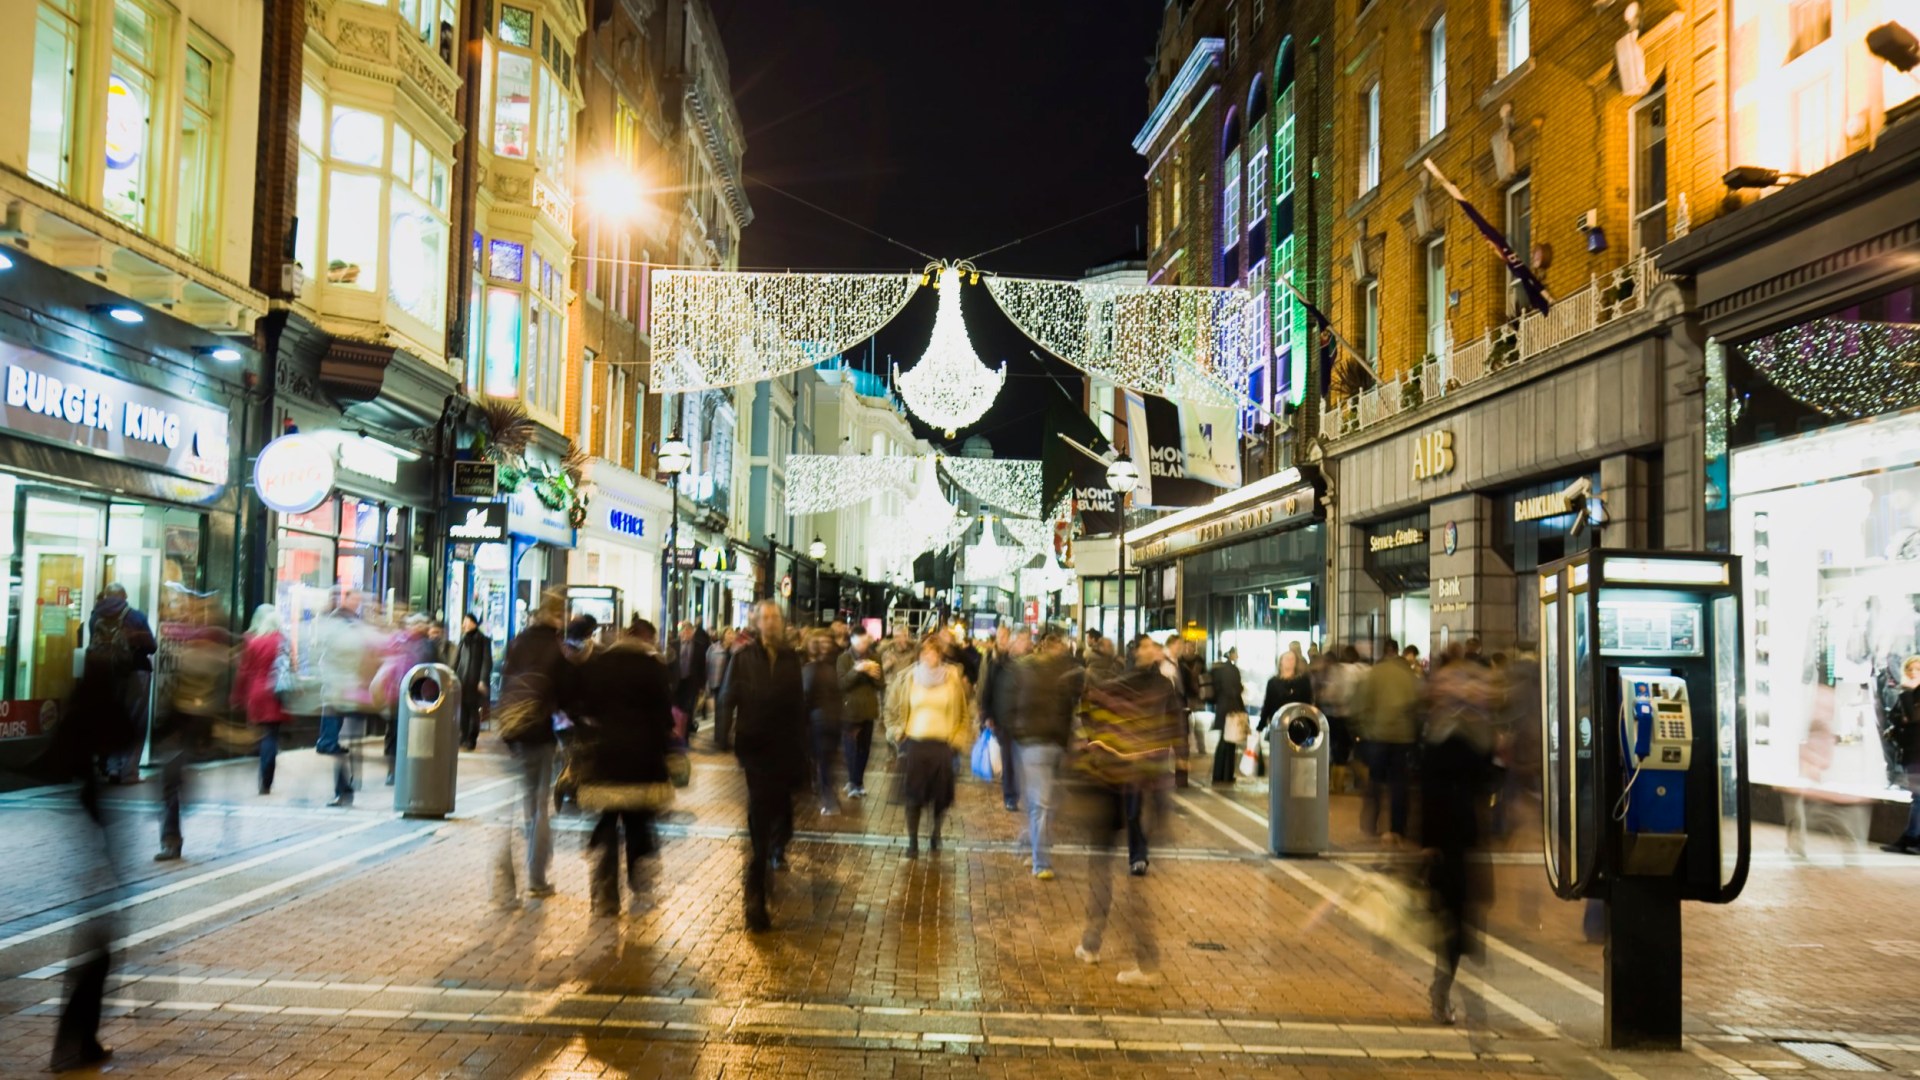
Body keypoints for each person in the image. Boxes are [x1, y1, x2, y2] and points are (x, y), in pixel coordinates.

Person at [41, 586, 146, 1071]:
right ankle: (74, 1043)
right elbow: (125, 736)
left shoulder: (82, 698)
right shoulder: (101, 700)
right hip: (93, 831)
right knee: (99, 939)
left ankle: (77, 1041)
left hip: (86, 824)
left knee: (98, 937)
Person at [1068, 634, 1182, 985]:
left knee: (1121, 884)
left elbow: (1171, 731)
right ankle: (1095, 945)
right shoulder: (1136, 693)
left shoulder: (1125, 693)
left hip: (1119, 792)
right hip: (1119, 793)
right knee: (1111, 879)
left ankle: (1130, 958)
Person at [568, 618, 676, 916]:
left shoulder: (600, 664)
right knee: (638, 822)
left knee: (606, 818)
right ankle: (641, 886)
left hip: (606, 758)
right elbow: (665, 718)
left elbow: (583, 708)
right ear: (647, 639)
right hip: (643, 760)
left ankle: (604, 889)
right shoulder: (654, 667)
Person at [1420, 646, 1500, 1024]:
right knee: (1454, 918)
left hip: (1463, 835)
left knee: (1459, 917)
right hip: (1448, 838)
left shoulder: (1464, 726)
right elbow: (1431, 786)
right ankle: (1442, 989)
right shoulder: (1445, 729)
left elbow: (1483, 779)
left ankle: (1445, 986)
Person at [721, 600, 808, 932]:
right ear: (756, 623)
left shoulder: (791, 660)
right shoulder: (743, 659)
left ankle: (774, 846)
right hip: (756, 750)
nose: (770, 623)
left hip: (786, 750)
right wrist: (723, 736)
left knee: (783, 817)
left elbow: (799, 705)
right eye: (765, 618)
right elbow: (727, 696)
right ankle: (754, 898)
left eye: (775, 618)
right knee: (760, 820)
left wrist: (804, 752)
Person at [492, 590, 568, 904]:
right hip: (542, 735)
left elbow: (504, 679)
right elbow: (565, 696)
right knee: (539, 807)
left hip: (514, 732)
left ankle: (505, 885)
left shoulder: (519, 641)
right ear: (558, 616)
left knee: (515, 807)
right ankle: (536, 878)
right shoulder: (557, 648)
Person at [885, 637, 972, 859]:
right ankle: (912, 841)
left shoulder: (952, 680)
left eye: (934, 653)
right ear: (920, 655)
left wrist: (958, 740)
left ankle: (936, 832)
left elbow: (963, 714)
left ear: (940, 656)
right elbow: (891, 708)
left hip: (943, 745)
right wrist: (896, 732)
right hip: (914, 744)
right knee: (913, 796)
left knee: (940, 796)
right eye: (926, 653)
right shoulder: (908, 678)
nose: (930, 657)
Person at [1015, 631, 1081, 879]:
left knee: (1047, 801)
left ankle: (1029, 840)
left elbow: (1071, 709)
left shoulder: (1066, 674)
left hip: (1054, 743)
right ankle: (1040, 861)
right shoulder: (1029, 670)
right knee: (1042, 803)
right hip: (1034, 742)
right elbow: (1016, 703)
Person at [1352, 637, 1421, 843]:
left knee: (1375, 782)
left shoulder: (1374, 674)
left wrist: (1363, 731)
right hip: (1403, 738)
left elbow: (1360, 706)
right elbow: (1418, 708)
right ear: (1398, 651)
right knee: (1399, 784)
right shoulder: (1409, 676)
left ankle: (1371, 824)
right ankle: (1398, 827)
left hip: (1377, 737)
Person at [314, 587, 377, 808]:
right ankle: (346, 785)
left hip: (348, 692)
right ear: (345, 599)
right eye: (354, 598)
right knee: (333, 743)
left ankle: (346, 788)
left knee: (341, 742)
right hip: (339, 692)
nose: (357, 602)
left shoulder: (354, 623)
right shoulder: (338, 621)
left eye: (359, 599)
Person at [91, 584, 156, 785]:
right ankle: (129, 772)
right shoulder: (135, 616)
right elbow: (152, 646)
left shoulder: (95, 617)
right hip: (136, 671)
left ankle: (111, 768)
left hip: (107, 673)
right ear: (124, 596)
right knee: (135, 721)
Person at [233, 605, 293, 795]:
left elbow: (244, 671)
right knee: (271, 735)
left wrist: (237, 694)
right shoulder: (282, 641)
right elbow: (290, 667)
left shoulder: (253, 642)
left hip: (256, 692)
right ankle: (266, 780)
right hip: (275, 691)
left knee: (262, 734)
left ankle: (262, 771)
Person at [980, 628, 1032, 811]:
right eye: (1020, 639)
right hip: (1005, 719)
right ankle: (1011, 795)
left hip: (1026, 720)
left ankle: (1022, 793)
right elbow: (988, 687)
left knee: (1022, 759)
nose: (1023, 643)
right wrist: (987, 715)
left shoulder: (1032, 663)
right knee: (1009, 759)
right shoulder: (999, 662)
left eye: (1026, 639)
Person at [801, 630, 846, 815]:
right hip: (833, 721)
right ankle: (830, 797)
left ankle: (829, 801)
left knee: (822, 763)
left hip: (818, 723)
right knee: (828, 761)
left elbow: (805, 697)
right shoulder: (830, 669)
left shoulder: (809, 670)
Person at [838, 628, 884, 798]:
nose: (863, 647)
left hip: (868, 710)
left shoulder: (875, 657)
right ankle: (853, 782)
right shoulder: (844, 659)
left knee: (864, 749)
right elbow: (842, 684)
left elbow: (880, 684)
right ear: (852, 642)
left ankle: (858, 782)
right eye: (859, 643)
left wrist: (872, 674)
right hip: (849, 711)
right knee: (851, 748)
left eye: (865, 643)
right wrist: (857, 670)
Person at [1882, 657, 1920, 853]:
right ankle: (1910, 838)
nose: (1913, 673)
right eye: (1910, 669)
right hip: (1911, 752)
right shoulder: (1909, 693)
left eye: (1917, 669)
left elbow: (1913, 718)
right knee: (1917, 796)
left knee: (1919, 797)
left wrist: (1908, 693)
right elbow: (1897, 718)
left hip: (1917, 753)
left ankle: (1911, 838)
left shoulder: (1911, 693)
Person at [1209, 647, 1249, 785]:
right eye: (1236, 653)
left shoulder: (1220, 669)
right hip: (1231, 708)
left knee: (1224, 742)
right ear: (1231, 655)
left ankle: (1219, 774)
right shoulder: (1232, 670)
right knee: (1229, 743)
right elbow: (1235, 689)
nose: (1237, 655)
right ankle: (1225, 775)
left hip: (1222, 707)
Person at [453, 614, 491, 751]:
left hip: (474, 681)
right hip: (462, 679)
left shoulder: (483, 640)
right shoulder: (463, 640)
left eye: (466, 622)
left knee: (473, 711)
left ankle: (471, 739)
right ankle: (463, 737)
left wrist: (482, 680)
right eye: (464, 622)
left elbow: (487, 662)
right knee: (462, 710)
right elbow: (456, 660)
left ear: (474, 623)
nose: (464, 625)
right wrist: (452, 675)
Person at [673, 621, 709, 737]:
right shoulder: (673, 645)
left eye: (689, 630)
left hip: (691, 683)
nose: (686, 632)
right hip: (676, 682)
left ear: (693, 632)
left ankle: (686, 733)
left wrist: (702, 686)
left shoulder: (699, 646)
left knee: (688, 709)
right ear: (680, 632)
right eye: (684, 630)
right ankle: (676, 731)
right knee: (676, 708)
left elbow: (703, 667)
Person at [704, 627, 734, 725]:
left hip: (731, 685)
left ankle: (723, 734)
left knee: (727, 713)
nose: (731, 635)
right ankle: (719, 735)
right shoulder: (713, 648)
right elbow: (707, 665)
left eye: (732, 633)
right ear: (723, 635)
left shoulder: (736, 650)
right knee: (719, 712)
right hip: (717, 684)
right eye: (729, 633)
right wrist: (707, 683)